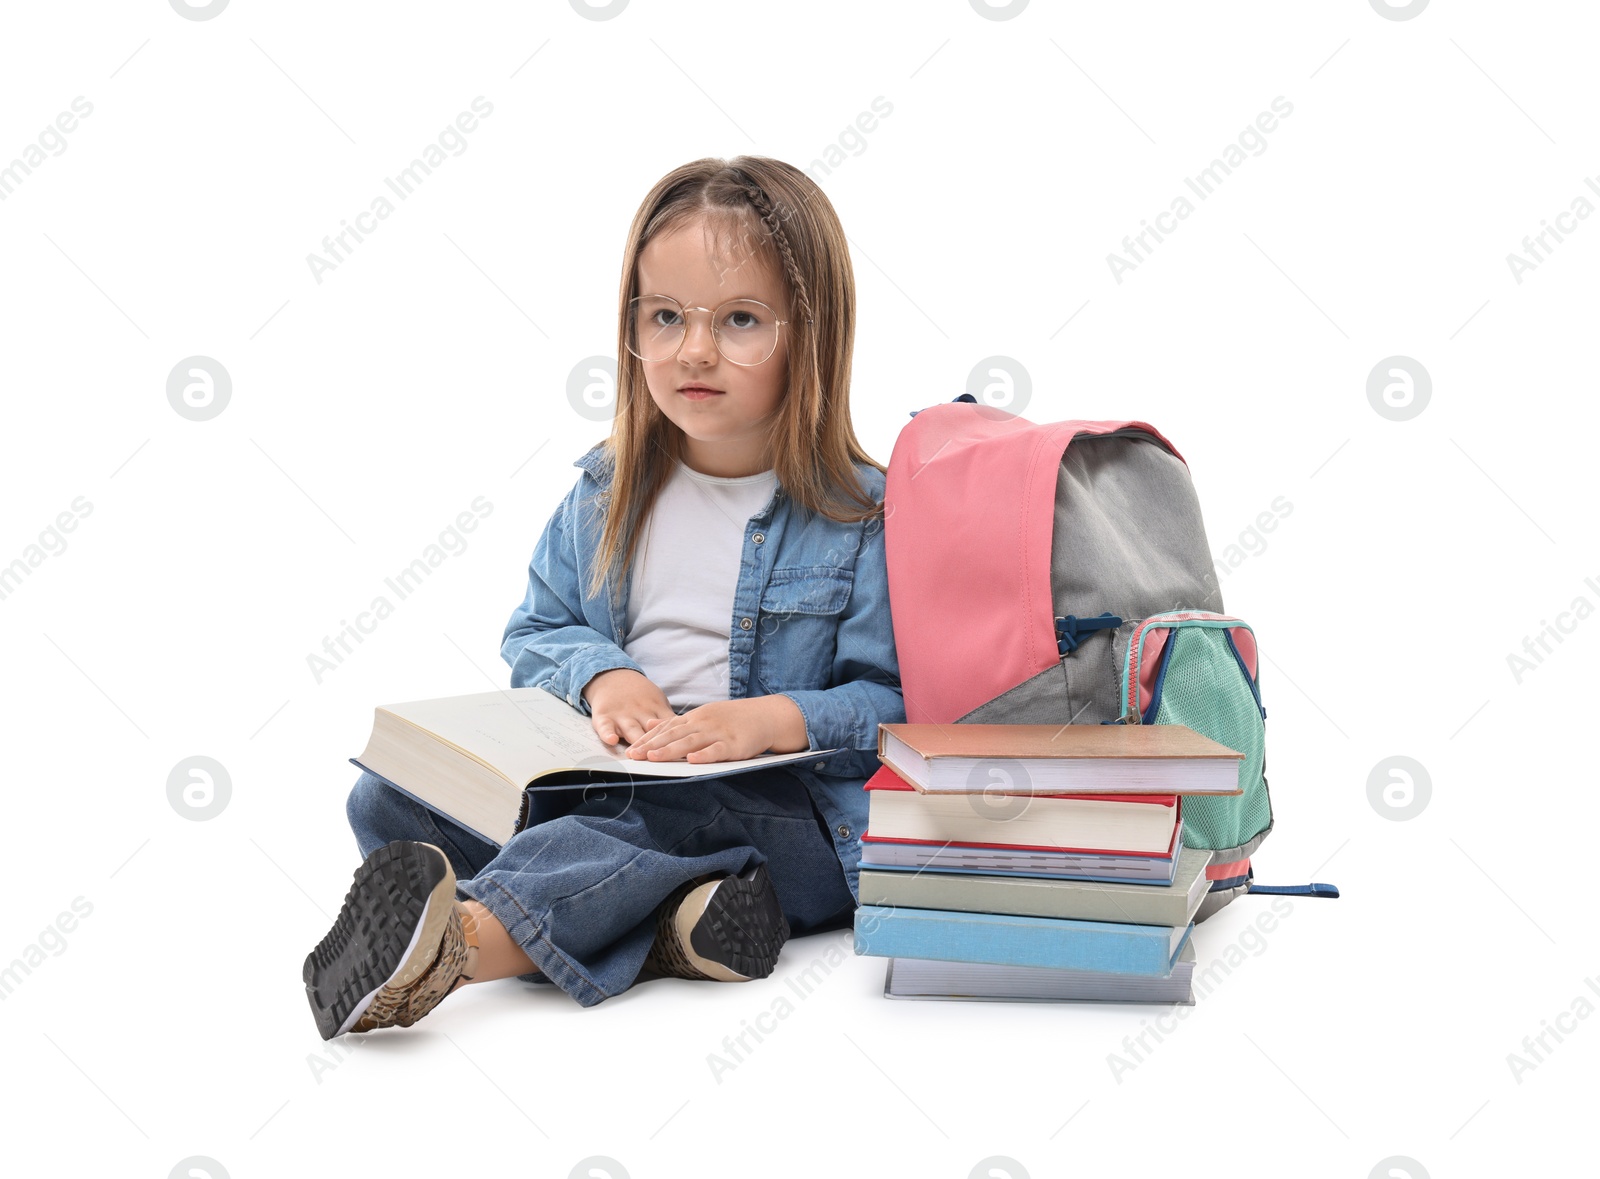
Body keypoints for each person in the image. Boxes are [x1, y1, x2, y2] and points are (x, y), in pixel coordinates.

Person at [302, 156, 904, 1038]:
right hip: (619, 785)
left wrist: (771, 720)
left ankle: (462, 944)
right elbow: (538, 626)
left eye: (740, 320)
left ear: (812, 334)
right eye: (665, 317)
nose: (694, 349)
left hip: (786, 813)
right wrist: (604, 680)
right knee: (390, 798)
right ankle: (672, 929)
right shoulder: (606, 492)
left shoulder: (862, 515)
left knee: (655, 817)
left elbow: (899, 705)